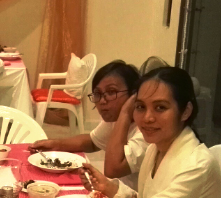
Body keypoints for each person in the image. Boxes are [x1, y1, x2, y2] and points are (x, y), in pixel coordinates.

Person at [82, 67, 221, 198]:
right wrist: (111, 188)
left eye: (160, 108)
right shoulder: (155, 147)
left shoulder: (197, 165)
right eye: (140, 107)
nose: (147, 118)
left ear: (185, 111)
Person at [29, 60, 148, 189]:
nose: (102, 101)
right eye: (97, 94)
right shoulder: (115, 119)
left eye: (111, 92)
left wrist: (125, 113)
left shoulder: (145, 131)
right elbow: (92, 142)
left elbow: (112, 170)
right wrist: (54, 144)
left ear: (133, 95)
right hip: (115, 191)